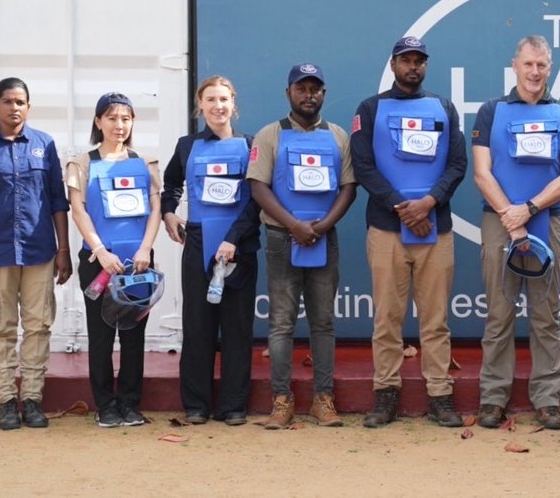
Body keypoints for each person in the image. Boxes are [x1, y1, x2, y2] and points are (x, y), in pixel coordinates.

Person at [351, 36, 467, 428]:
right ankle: (385, 395)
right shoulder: (370, 108)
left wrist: (429, 203)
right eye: (406, 60)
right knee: (387, 318)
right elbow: (363, 166)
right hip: (387, 229)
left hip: (436, 228)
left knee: (436, 319)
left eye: (419, 61)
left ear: (425, 66)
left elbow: (457, 163)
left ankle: (440, 395)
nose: (413, 67)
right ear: (393, 64)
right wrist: (402, 207)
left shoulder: (444, 108)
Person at [471, 35, 560, 430]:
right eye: (528, 64)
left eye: (542, 65)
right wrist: (509, 214)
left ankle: (548, 398)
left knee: (545, 314)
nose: (535, 72)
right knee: (499, 314)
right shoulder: (491, 111)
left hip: (548, 220)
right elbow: (481, 173)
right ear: (514, 66)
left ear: (550, 68)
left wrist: (529, 209)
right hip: (499, 220)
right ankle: (493, 397)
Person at [249, 63, 356, 429]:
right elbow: (258, 187)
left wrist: (324, 225)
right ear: (288, 93)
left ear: (323, 93)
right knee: (281, 324)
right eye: (301, 88)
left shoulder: (339, 136)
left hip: (324, 238)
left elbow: (348, 187)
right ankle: (282, 401)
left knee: (323, 322)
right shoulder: (269, 135)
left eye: (315, 89)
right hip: (282, 239)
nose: (308, 95)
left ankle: (323, 400)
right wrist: (293, 225)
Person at [0, 77, 72, 430]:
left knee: (38, 326)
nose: (14, 108)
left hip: (39, 251)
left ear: (29, 107)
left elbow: (58, 202)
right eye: (8, 102)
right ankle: (6, 402)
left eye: (21, 102)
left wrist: (64, 250)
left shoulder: (44, 144)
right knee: (0, 329)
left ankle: (31, 399)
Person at [161, 76, 261, 426]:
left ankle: (233, 405)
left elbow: (257, 200)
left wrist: (234, 238)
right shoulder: (186, 146)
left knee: (236, 328)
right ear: (199, 105)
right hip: (199, 242)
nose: (218, 106)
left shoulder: (251, 145)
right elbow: (170, 183)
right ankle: (196, 404)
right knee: (198, 326)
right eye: (210, 100)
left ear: (234, 103)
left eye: (224, 99)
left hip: (239, 247)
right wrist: (169, 212)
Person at [66, 92, 162, 428]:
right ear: (98, 122)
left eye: (125, 118)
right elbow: (78, 211)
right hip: (99, 264)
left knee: (134, 336)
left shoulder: (145, 163)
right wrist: (101, 251)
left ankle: (130, 403)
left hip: (139, 264)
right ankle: (105, 405)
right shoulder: (82, 163)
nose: (119, 125)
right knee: (102, 336)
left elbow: (155, 211)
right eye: (111, 118)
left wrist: (146, 249)